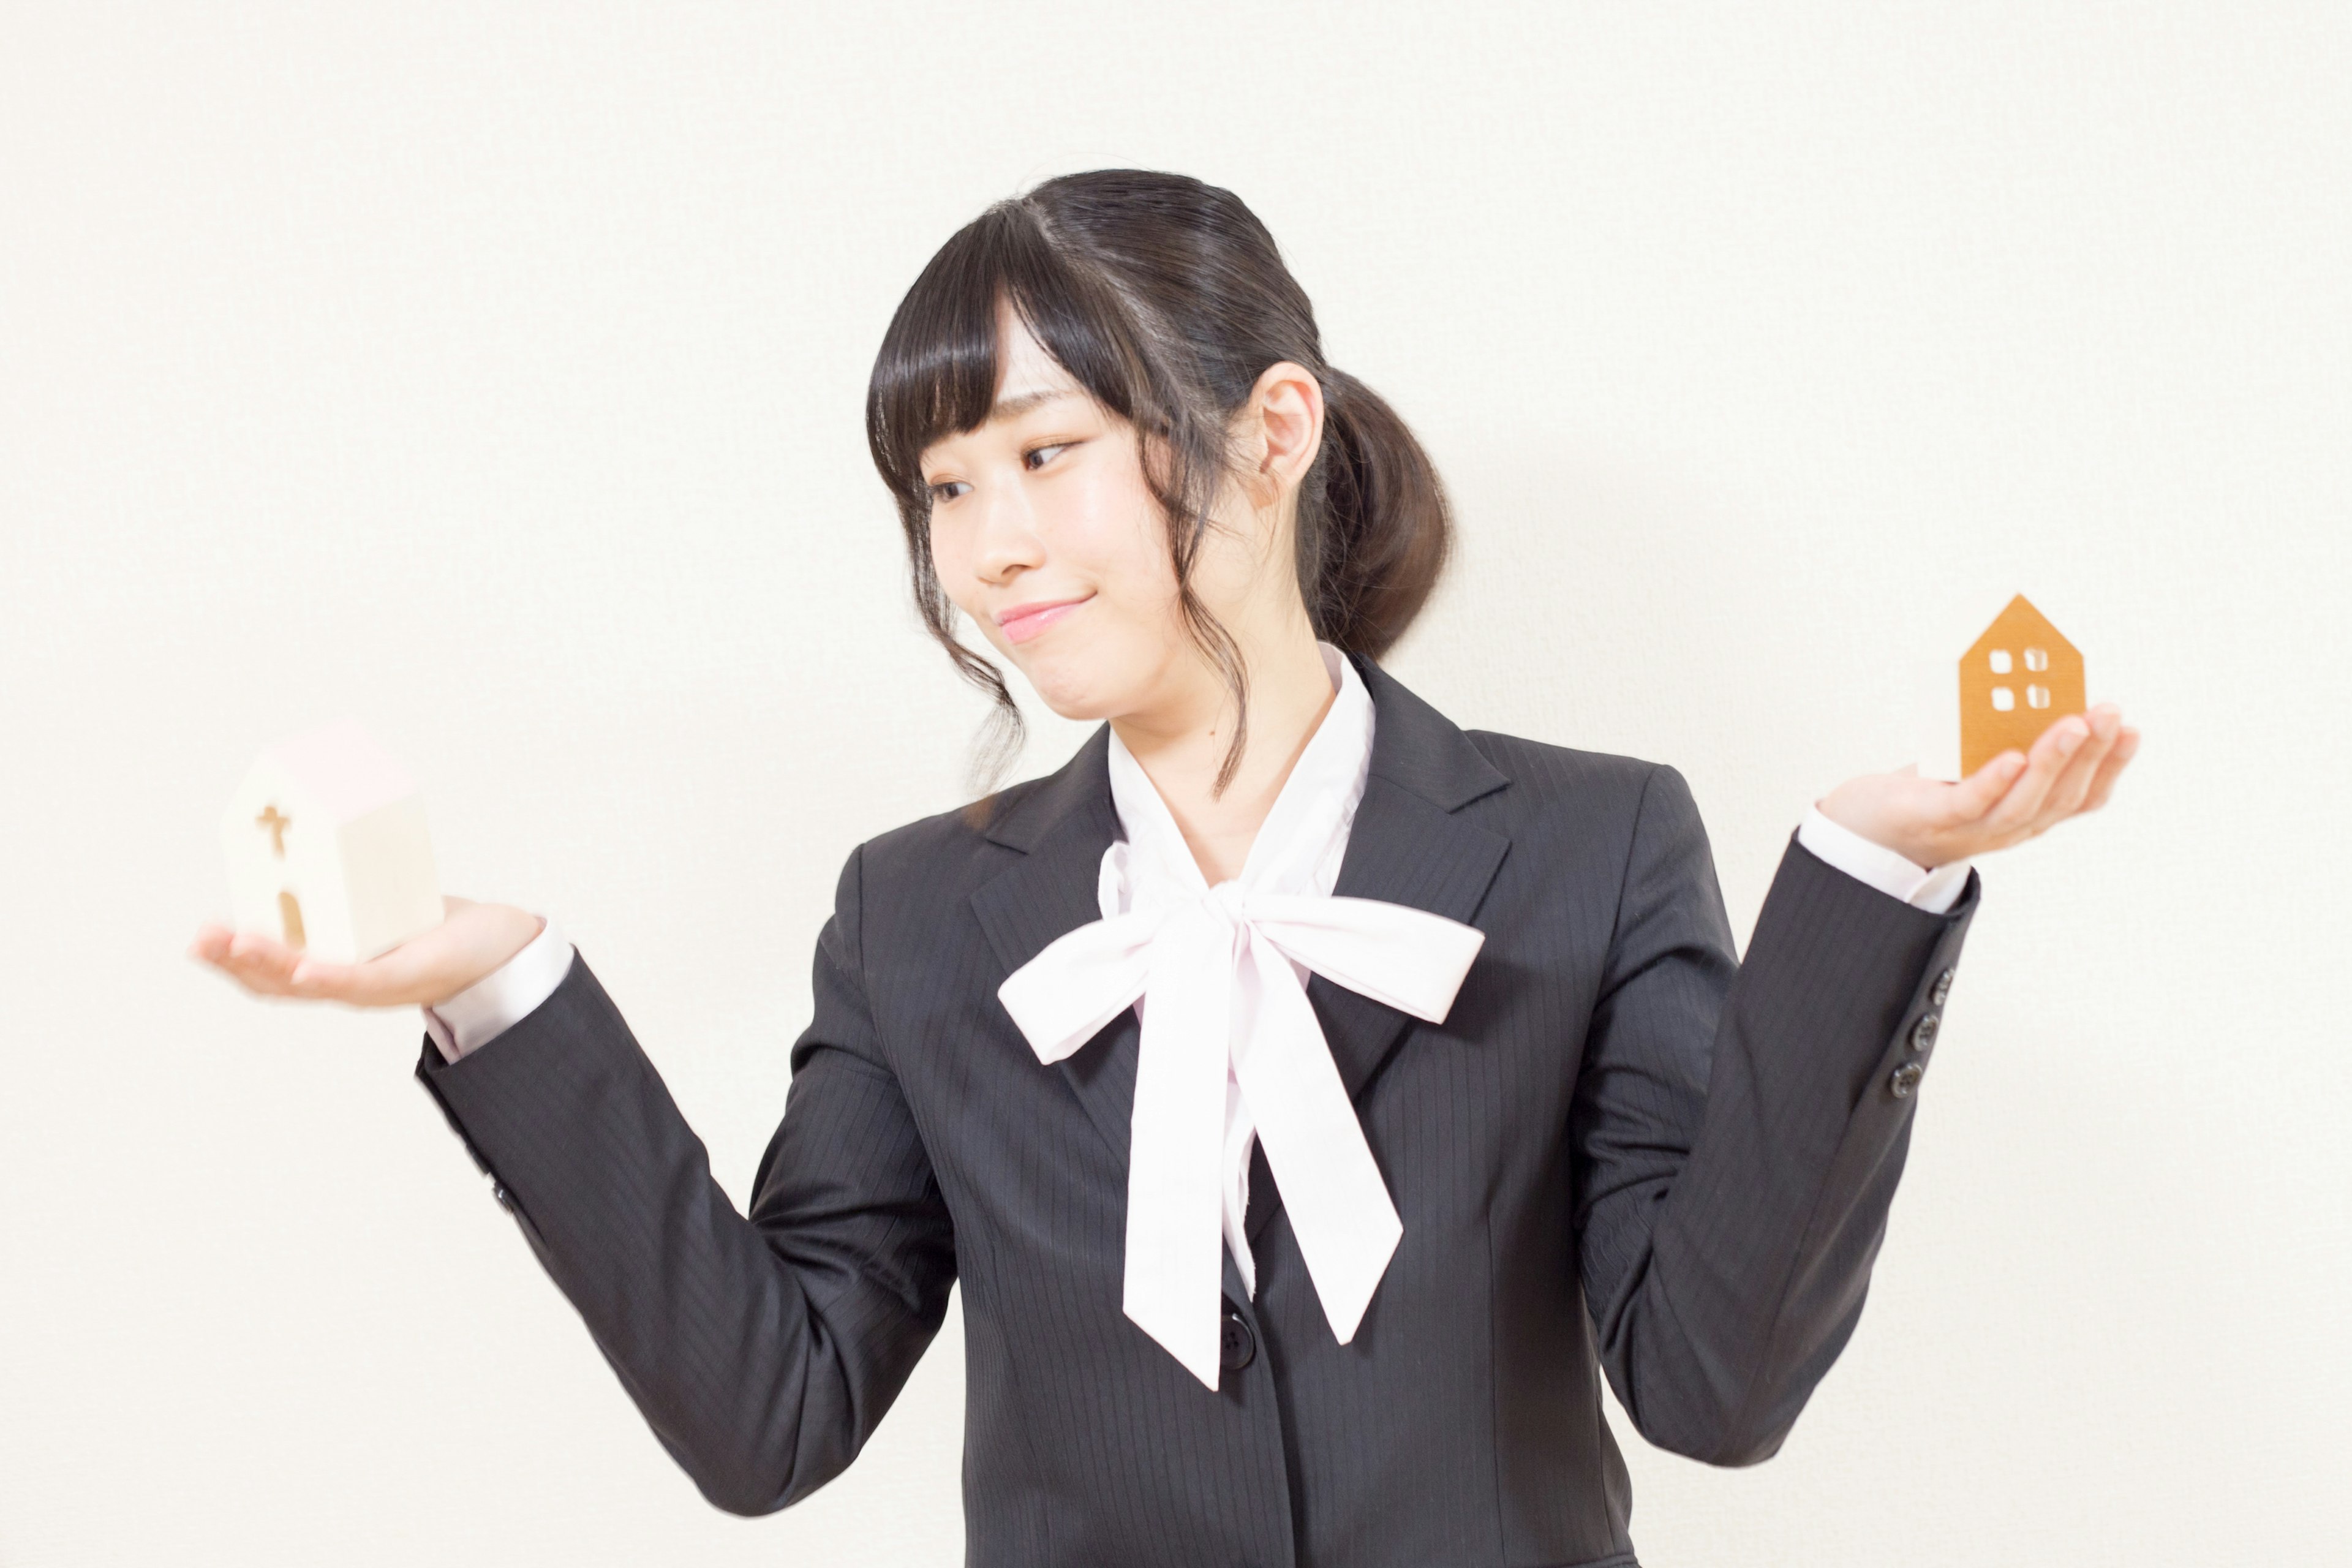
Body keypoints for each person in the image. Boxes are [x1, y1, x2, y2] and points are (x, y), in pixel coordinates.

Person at [190, 168, 2139, 1567]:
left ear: (1270, 429)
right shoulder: (918, 919)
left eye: (1046, 455)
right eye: (943, 490)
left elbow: (1715, 1386)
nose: (987, 549)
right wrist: (501, 988)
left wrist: (1867, 886)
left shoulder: (1589, 845)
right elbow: (772, 1417)